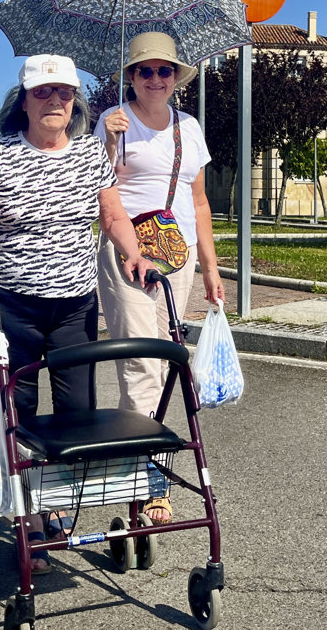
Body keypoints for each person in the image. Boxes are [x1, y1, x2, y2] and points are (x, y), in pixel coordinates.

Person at [0, 53, 152, 574]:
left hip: (74, 306)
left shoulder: (89, 155)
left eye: (63, 92)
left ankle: (55, 507)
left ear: (74, 101)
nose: (55, 100)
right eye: (43, 92)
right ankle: (27, 518)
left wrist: (132, 249)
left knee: (76, 412)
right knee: (19, 412)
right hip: (12, 302)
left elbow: (112, 214)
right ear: (23, 101)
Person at [94, 32, 225, 526]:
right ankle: (145, 483)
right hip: (127, 253)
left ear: (177, 79)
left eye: (164, 71)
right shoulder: (113, 122)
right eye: (144, 70)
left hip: (178, 253)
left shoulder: (188, 127)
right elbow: (96, 192)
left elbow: (199, 202)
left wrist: (211, 268)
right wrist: (107, 144)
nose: (155, 79)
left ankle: (142, 463)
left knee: (166, 362)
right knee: (141, 363)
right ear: (130, 77)